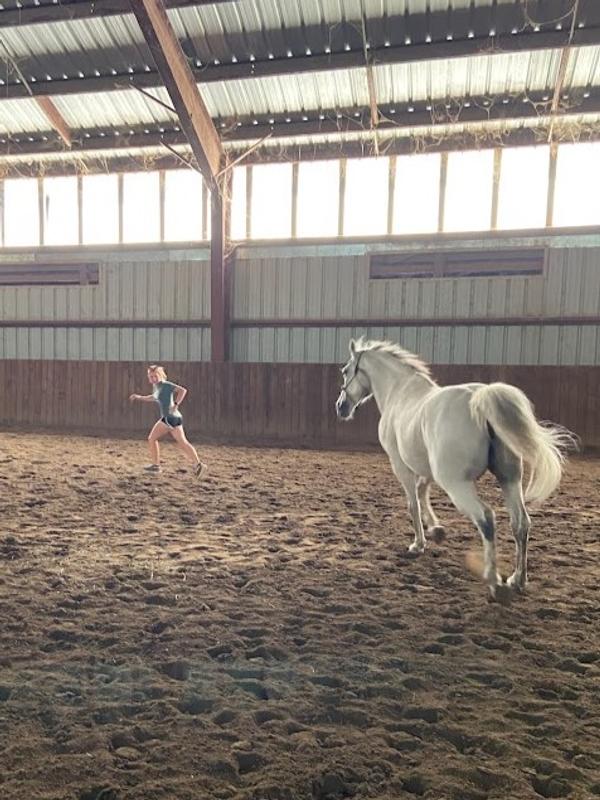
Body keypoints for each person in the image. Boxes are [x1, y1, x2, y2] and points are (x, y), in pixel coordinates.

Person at [129, 365, 206, 477]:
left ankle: (156, 466)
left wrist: (176, 404)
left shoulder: (166, 385)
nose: (153, 378)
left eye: (155, 376)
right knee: (183, 442)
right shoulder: (157, 387)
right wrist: (139, 397)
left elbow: (183, 390)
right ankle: (198, 464)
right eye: (151, 376)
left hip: (169, 418)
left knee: (152, 438)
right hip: (175, 418)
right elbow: (153, 397)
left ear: (161, 375)